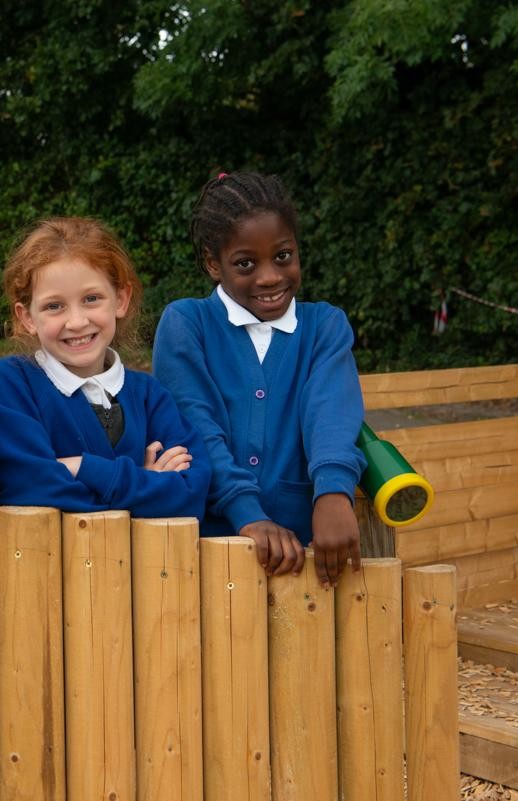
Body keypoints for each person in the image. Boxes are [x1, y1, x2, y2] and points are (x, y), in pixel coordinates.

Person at [152, 172, 366, 587]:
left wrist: (333, 494)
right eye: (246, 263)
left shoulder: (324, 326)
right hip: (207, 550)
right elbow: (197, 428)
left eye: (283, 256)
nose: (269, 277)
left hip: (308, 552)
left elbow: (332, 412)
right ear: (214, 265)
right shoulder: (186, 324)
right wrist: (247, 513)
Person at [0, 217, 210, 519]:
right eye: (54, 306)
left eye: (91, 299)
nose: (76, 322)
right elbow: (28, 487)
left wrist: (80, 467)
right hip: (43, 564)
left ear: (121, 299)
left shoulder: (149, 396)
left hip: (147, 567)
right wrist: (147, 482)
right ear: (27, 317)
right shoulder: (13, 384)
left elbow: (191, 493)